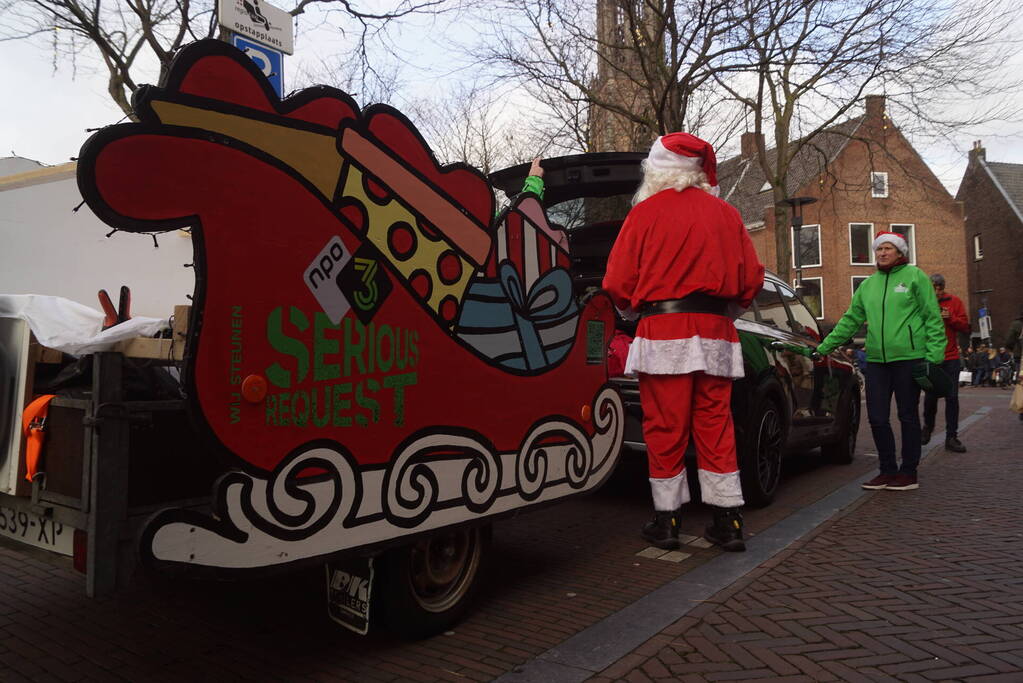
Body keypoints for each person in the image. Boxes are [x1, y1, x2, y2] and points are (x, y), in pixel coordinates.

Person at [603, 132, 764, 552]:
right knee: (716, 423)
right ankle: (728, 519)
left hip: (663, 331)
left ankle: (668, 519)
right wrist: (724, 311)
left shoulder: (644, 214)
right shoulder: (727, 213)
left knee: (664, 425)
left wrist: (631, 313)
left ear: (656, 170)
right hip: (715, 332)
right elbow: (751, 279)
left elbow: (618, 282)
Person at [815, 232, 944, 491]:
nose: (882, 253)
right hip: (876, 360)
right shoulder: (868, 285)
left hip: (910, 358)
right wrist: (825, 347)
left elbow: (933, 318)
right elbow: (851, 320)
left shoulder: (915, 276)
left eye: (888, 248)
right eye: (879, 249)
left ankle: (908, 472)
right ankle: (887, 470)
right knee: (876, 417)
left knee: (907, 416)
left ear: (899, 252)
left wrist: (933, 358)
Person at [920, 274, 969, 452]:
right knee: (931, 397)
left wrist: (950, 318)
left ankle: (952, 437)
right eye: (934, 289)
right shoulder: (922, 302)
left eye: (940, 289)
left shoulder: (955, 302)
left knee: (952, 398)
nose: (937, 292)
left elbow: (965, 327)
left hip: (951, 358)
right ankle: (928, 428)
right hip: (931, 357)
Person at [1005, 311, 1023, 382]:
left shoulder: (1017, 324)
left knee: (1020, 371)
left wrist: (1010, 348)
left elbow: (1010, 339)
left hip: (1020, 352)